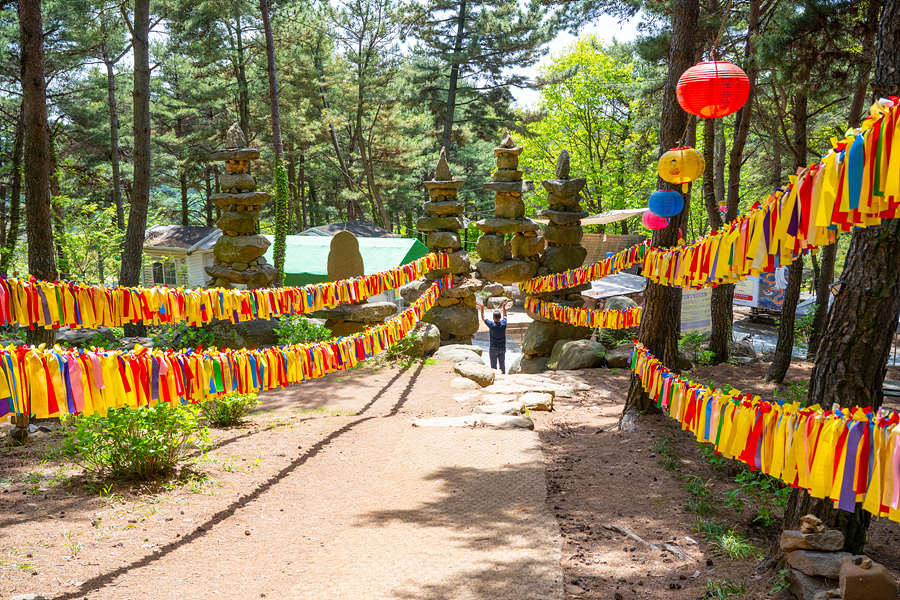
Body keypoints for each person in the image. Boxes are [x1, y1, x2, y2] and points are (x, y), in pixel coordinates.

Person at [478, 299, 509, 373]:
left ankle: (495, 379)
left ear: (493, 318)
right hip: (502, 347)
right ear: (500, 317)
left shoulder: (492, 325)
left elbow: (483, 317)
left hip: (493, 348)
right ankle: (503, 377)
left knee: (493, 365)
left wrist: (482, 308)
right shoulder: (503, 324)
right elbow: (505, 316)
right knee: (502, 364)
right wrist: (503, 307)